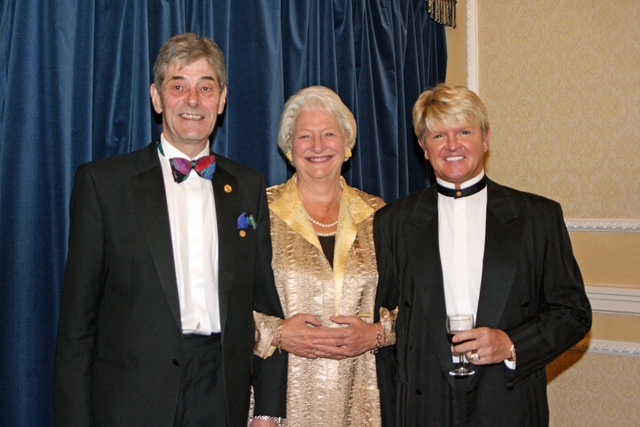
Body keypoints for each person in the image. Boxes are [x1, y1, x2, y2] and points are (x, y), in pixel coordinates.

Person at [54, 33, 287, 426]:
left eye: (206, 87)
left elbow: (264, 307)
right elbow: (77, 327)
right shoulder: (103, 185)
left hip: (223, 395)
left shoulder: (248, 186)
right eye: (178, 86)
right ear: (157, 97)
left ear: (223, 99)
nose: (193, 100)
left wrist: (267, 407)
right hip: (131, 400)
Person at [373, 84, 592, 426]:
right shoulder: (393, 221)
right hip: (422, 406)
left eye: (464, 131)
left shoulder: (537, 216)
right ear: (423, 148)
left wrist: (511, 344)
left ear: (486, 139)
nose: (452, 146)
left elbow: (573, 313)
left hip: (508, 401)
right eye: (437, 135)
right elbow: (384, 319)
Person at [251, 86, 395, 427]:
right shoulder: (258, 212)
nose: (317, 146)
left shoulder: (380, 215)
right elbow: (224, 304)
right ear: (289, 148)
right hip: (278, 405)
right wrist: (276, 332)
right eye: (305, 136)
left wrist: (377, 333)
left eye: (329, 134)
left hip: (363, 401)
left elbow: (417, 307)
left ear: (347, 145)